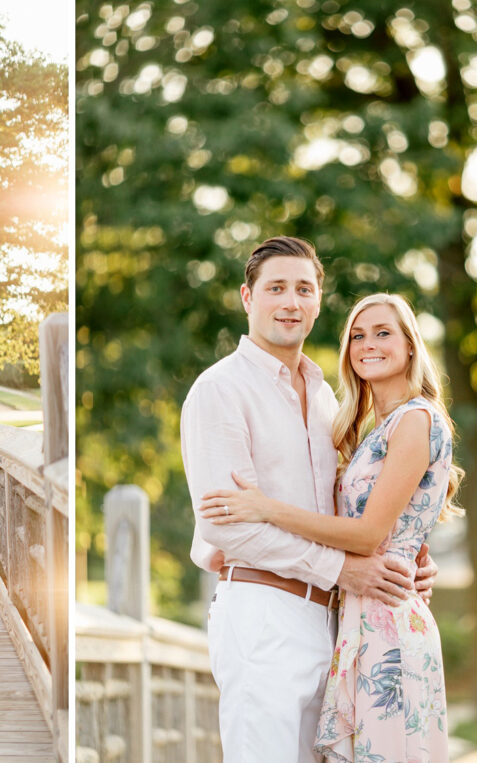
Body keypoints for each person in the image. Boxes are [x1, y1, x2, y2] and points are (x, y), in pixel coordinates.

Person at [180, 236, 438, 762]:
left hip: (338, 627)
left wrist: (409, 554)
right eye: (276, 288)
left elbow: (355, 506)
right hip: (263, 616)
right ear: (248, 298)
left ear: (319, 302)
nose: (291, 302)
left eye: (304, 288)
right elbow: (223, 527)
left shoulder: (326, 400)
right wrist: (342, 569)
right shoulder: (220, 390)